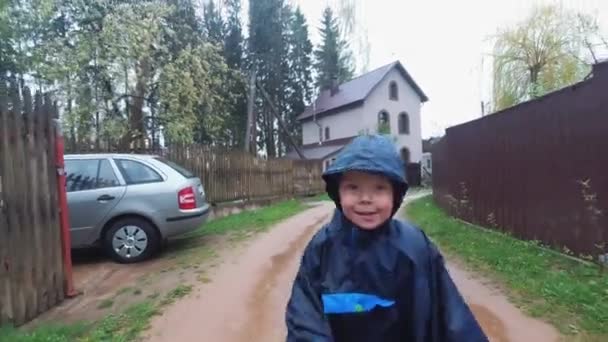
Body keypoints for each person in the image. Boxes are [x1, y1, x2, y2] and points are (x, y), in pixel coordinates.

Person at [285, 134, 488, 342]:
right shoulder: (322, 249)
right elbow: (305, 320)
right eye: (353, 188)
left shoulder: (416, 247)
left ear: (395, 194)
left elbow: (452, 317)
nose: (365, 199)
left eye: (379, 188)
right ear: (338, 192)